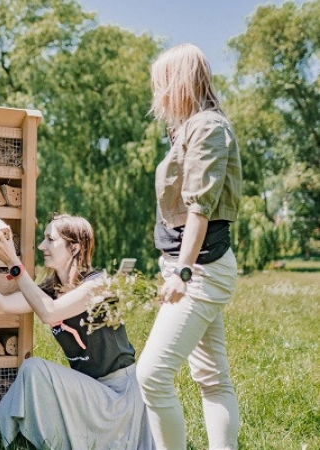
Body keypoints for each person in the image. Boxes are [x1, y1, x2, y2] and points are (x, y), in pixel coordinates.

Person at [0, 214, 154, 450]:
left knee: (34, 368)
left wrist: (14, 262)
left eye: (50, 240)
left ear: (74, 248)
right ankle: (10, 443)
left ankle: (13, 443)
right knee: (33, 370)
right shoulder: (50, 292)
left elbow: (49, 313)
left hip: (119, 396)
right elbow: (1, 305)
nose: (42, 246)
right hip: (88, 390)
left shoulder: (98, 285)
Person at [135, 43, 243, 450]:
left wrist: (182, 271)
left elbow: (201, 207)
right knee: (212, 378)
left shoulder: (208, 127)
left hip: (200, 269)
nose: (157, 94)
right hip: (191, 266)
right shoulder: (189, 128)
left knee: (152, 375)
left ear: (178, 82)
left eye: (161, 84)